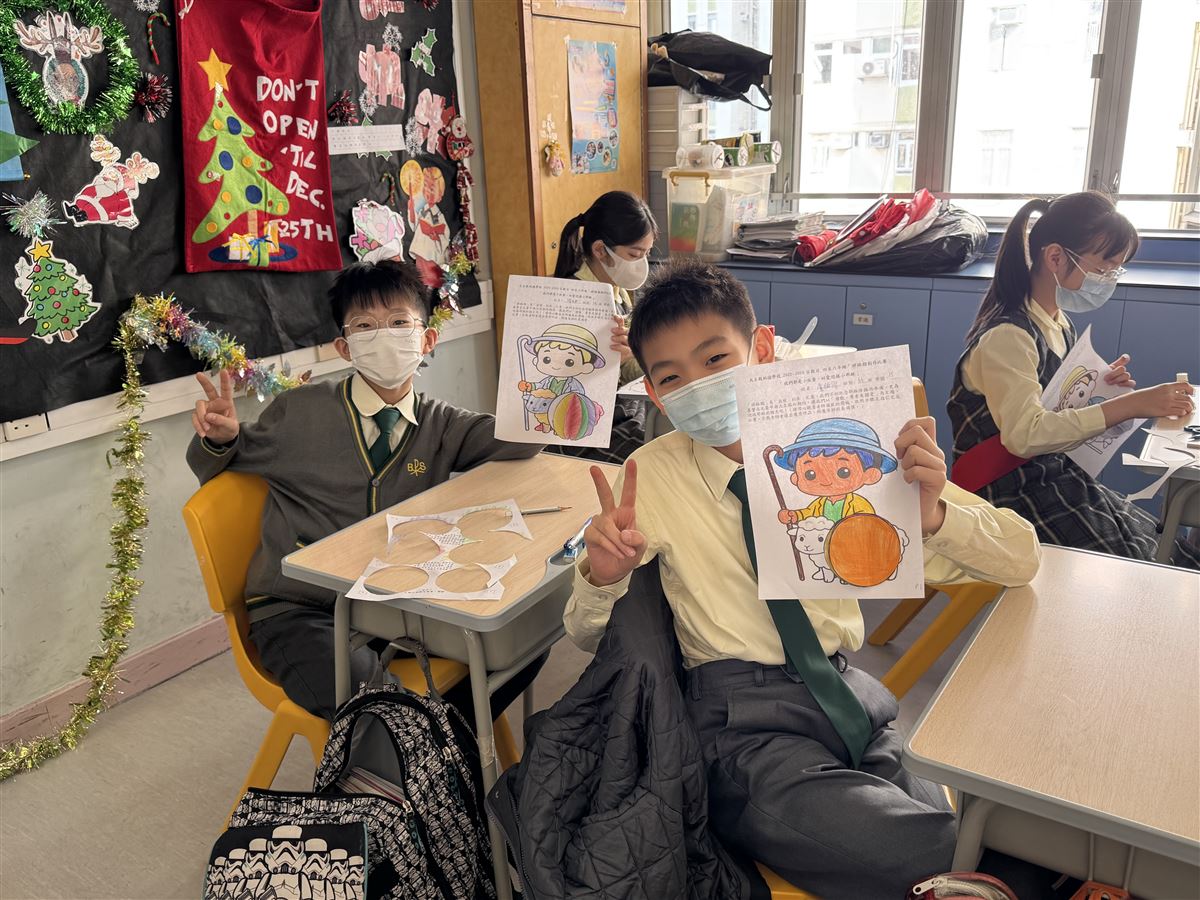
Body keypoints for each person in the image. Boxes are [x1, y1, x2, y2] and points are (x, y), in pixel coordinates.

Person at [563, 257, 1042, 898]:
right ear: (654, 394)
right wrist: (601, 576)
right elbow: (583, 634)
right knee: (952, 857)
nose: (698, 385)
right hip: (742, 727)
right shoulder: (648, 476)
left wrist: (931, 517)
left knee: (958, 844)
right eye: (672, 377)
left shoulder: (844, 451)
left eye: (716, 359)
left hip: (852, 698)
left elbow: (1020, 558)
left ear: (762, 349)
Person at [186, 260, 546, 721]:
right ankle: (423, 743)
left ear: (427, 339)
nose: (383, 336)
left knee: (523, 639)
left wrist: (586, 368)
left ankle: (437, 743)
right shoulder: (299, 410)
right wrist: (220, 438)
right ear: (345, 346)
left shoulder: (442, 423)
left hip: (397, 605)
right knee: (376, 704)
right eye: (364, 326)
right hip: (301, 609)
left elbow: (524, 438)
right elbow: (220, 463)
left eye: (398, 322)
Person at [948, 191, 1198, 568]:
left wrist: (1100, 386)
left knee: (1163, 548)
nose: (1109, 279)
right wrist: (1128, 405)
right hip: (1008, 491)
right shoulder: (1009, 336)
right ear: (1055, 257)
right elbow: (1025, 434)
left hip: (1049, 474)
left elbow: (1050, 403)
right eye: (1104, 267)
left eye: (1116, 270)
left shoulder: (1058, 324)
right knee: (1138, 566)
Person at [550, 190, 657, 463]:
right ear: (600, 250)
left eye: (646, 254)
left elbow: (629, 368)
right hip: (583, 425)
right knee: (658, 462)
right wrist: (611, 362)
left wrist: (636, 356)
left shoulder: (617, 291)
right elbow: (558, 383)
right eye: (635, 254)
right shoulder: (571, 300)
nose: (642, 264)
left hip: (624, 412)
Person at [775, 418, 897, 524]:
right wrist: (794, 516)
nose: (826, 481)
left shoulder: (859, 505)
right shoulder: (819, 504)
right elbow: (808, 514)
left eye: (843, 472)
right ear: (796, 478)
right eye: (810, 474)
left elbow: (868, 523)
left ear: (870, 475)